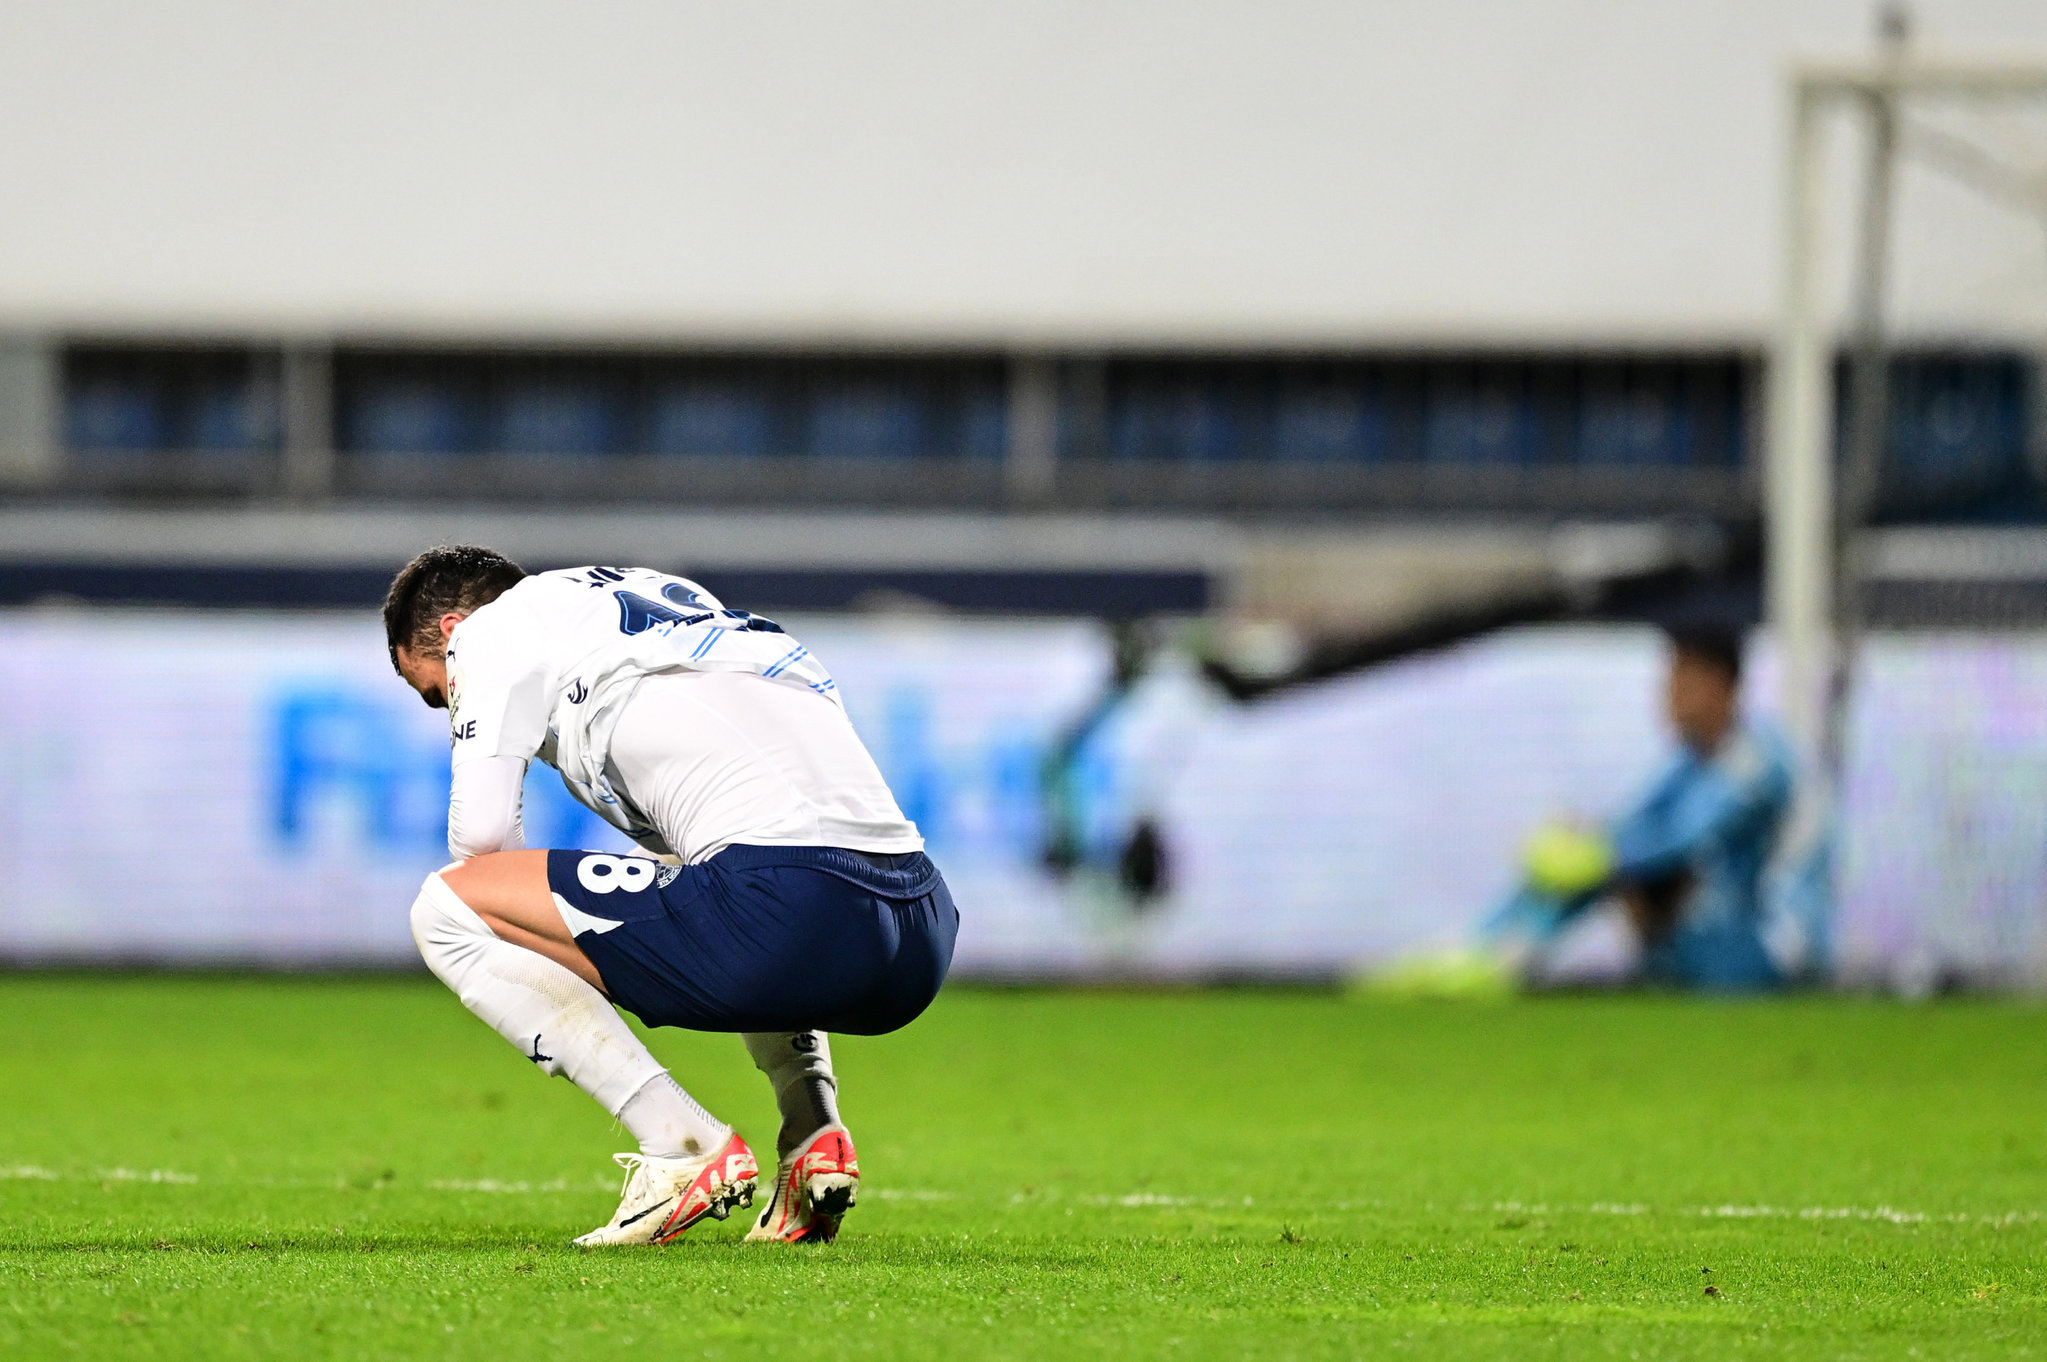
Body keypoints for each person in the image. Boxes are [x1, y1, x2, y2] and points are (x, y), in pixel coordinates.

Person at [384, 546, 957, 1246]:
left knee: (447, 907)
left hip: (791, 917)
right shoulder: (659, 600)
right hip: (919, 932)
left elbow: (480, 842)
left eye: (436, 691)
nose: (447, 708)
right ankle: (813, 1132)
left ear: (449, 631)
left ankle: (680, 1148)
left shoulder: (492, 628)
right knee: (695, 872)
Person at [1482, 625, 1827, 990]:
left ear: (1722, 684)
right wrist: (1588, 841)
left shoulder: (1759, 759)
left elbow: (1676, 837)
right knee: (1607, 867)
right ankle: (1492, 947)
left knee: (1613, 867)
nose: (1669, 695)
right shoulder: (1690, 762)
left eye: (1682, 679)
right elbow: (1636, 822)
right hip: (1724, 937)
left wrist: (1588, 852)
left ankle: (1495, 953)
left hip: (1777, 949)